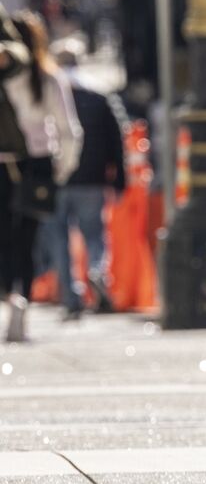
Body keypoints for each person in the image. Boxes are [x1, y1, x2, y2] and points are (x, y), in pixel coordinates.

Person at [0, 12, 82, 342]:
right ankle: (22, 304)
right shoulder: (48, 78)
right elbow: (69, 131)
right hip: (37, 166)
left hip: (3, 166)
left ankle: (9, 297)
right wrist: (61, 170)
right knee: (28, 241)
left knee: (5, 238)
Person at [51, 76, 127, 320]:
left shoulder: (51, 96)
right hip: (92, 180)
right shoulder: (98, 98)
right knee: (95, 235)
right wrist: (119, 180)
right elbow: (117, 139)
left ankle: (72, 295)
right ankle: (97, 271)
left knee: (59, 241)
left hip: (57, 180)